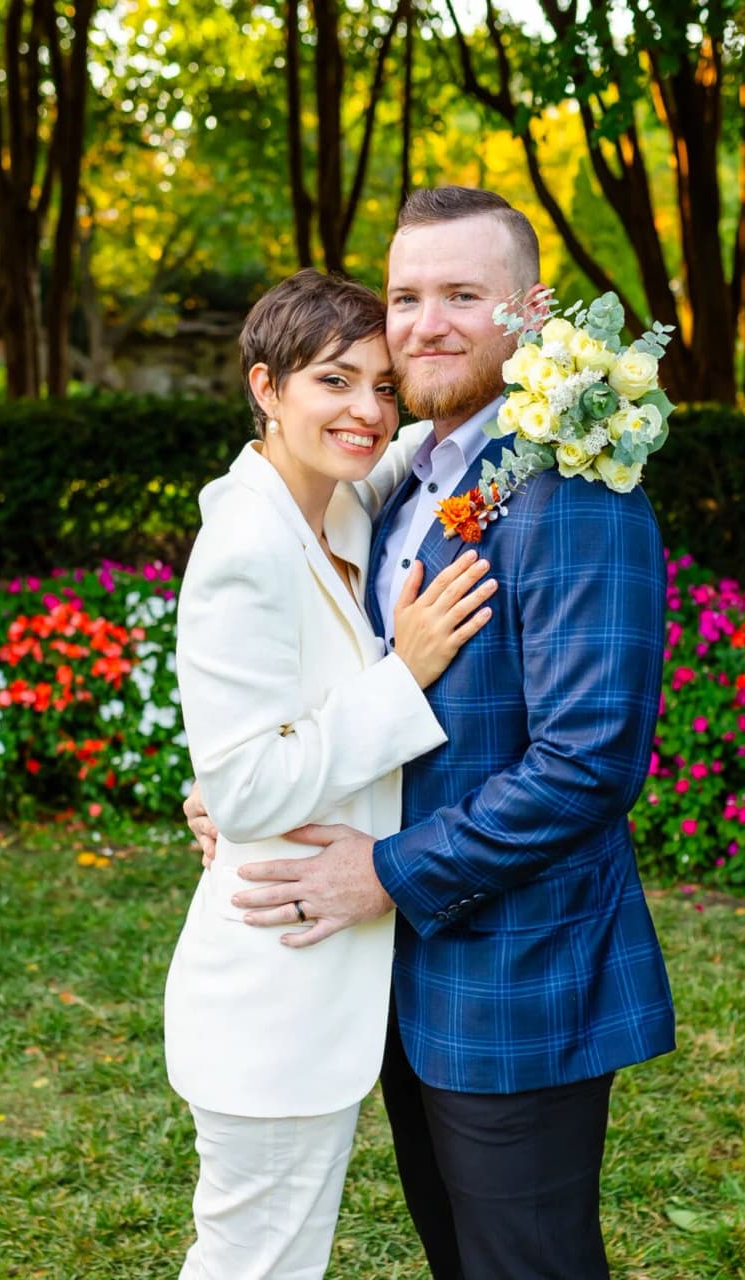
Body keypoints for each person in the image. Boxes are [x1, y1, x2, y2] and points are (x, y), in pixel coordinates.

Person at [186, 188, 677, 1278]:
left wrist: (388, 872)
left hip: (516, 979)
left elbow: (587, 762)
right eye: (407, 296)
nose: (427, 324)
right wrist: (244, 784)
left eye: (465, 294)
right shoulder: (411, 479)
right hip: (403, 985)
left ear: (530, 310)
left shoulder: (576, 486)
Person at [163, 268, 499, 1280]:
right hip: (271, 986)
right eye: (333, 380)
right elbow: (251, 791)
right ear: (266, 387)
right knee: (253, 1265)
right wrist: (406, 675)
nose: (366, 409)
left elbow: (442, 437)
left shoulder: (342, 502)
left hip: (324, 989)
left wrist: (547, 359)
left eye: (383, 384)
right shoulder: (243, 548)